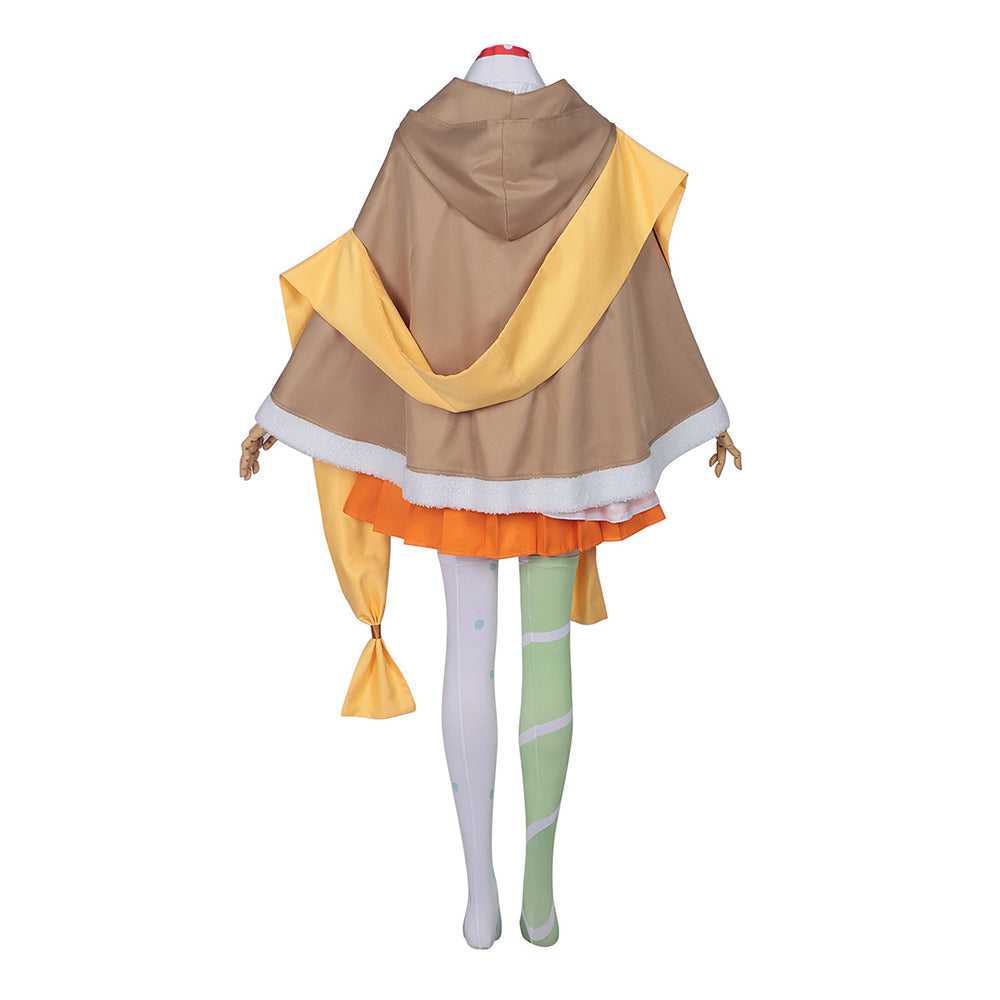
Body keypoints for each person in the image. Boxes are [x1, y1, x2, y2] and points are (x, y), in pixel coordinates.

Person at [240, 47, 742, 949]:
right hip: (564, 452)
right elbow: (645, 294)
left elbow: (366, 286)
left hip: (453, 457)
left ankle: (480, 901)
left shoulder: (417, 146)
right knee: (548, 653)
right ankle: (539, 900)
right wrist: (707, 413)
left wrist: (283, 405)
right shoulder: (599, 153)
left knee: (465, 658)